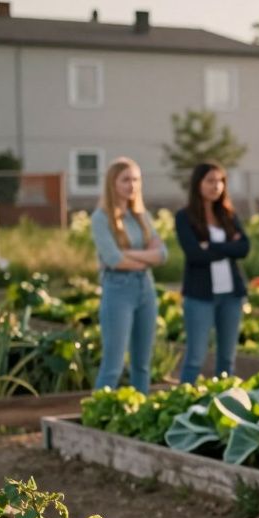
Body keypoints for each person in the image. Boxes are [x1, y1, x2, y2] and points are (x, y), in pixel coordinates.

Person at [90, 157, 168, 390]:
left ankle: (140, 416)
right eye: (126, 180)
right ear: (112, 183)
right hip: (118, 291)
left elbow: (162, 254)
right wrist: (144, 257)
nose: (132, 185)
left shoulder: (141, 217)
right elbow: (114, 259)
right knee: (113, 365)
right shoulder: (101, 218)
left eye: (136, 179)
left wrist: (129, 254)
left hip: (145, 289)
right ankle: (96, 418)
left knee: (142, 365)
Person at [175, 162, 250, 383]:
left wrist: (212, 246)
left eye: (220, 181)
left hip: (231, 296)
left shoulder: (228, 215)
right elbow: (195, 254)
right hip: (200, 296)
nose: (215, 186)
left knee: (227, 359)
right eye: (210, 180)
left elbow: (244, 248)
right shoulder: (185, 217)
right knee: (195, 358)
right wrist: (228, 247)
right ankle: (184, 405)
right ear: (198, 184)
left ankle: (226, 405)